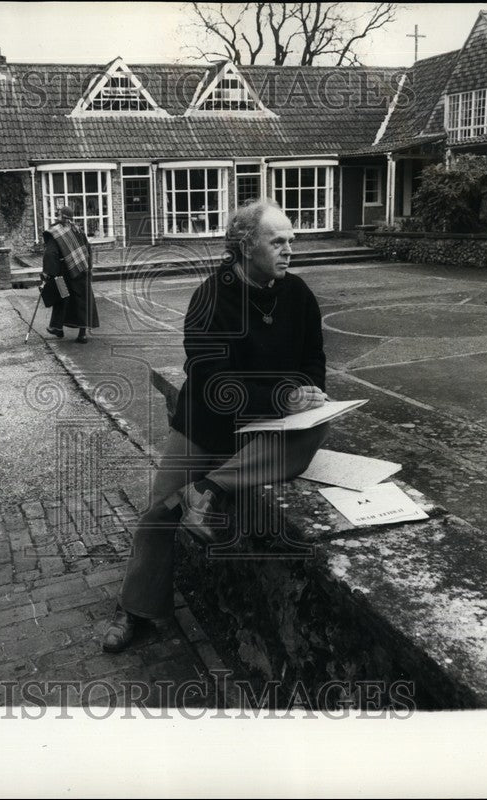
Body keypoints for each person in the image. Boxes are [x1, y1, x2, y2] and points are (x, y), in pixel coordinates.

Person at [102, 199, 329, 653]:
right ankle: (139, 611)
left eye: (291, 241)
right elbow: (208, 377)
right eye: (277, 241)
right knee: (157, 511)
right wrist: (280, 395)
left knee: (315, 432)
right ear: (245, 246)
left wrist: (308, 395)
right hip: (206, 423)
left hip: (270, 428)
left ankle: (206, 490)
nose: (289, 251)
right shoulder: (211, 295)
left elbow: (313, 362)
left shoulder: (299, 294)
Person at [42, 205, 99, 343]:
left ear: (62, 217)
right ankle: (82, 334)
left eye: (58, 214)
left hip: (63, 272)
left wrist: (49, 273)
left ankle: (57, 328)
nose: (56, 216)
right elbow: (88, 249)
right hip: (81, 269)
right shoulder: (78, 230)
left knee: (61, 297)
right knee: (82, 300)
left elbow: (51, 254)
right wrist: (88, 267)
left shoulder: (55, 232)